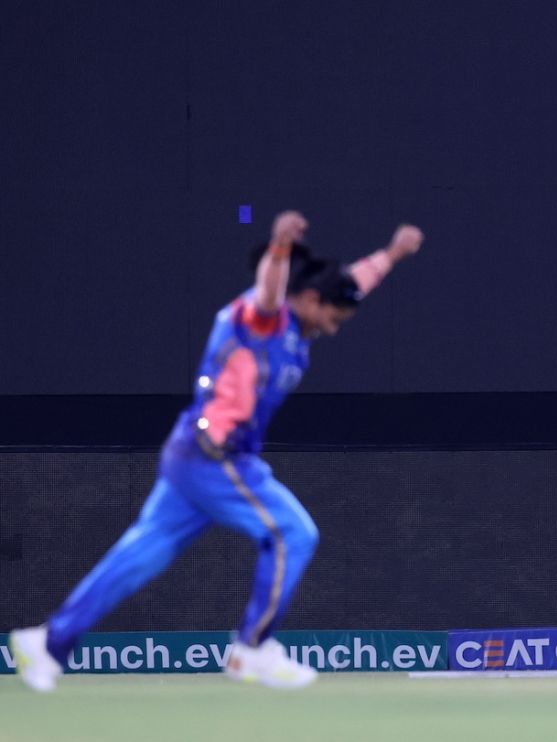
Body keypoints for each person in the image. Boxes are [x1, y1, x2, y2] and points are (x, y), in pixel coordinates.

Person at [9, 211, 423, 691]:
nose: (333, 328)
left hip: (190, 455)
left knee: (136, 557)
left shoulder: (303, 318)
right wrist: (279, 248)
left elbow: (352, 283)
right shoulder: (264, 318)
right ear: (309, 299)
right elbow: (271, 289)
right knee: (294, 533)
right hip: (216, 456)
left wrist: (391, 255)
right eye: (332, 317)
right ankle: (251, 648)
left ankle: (48, 642)